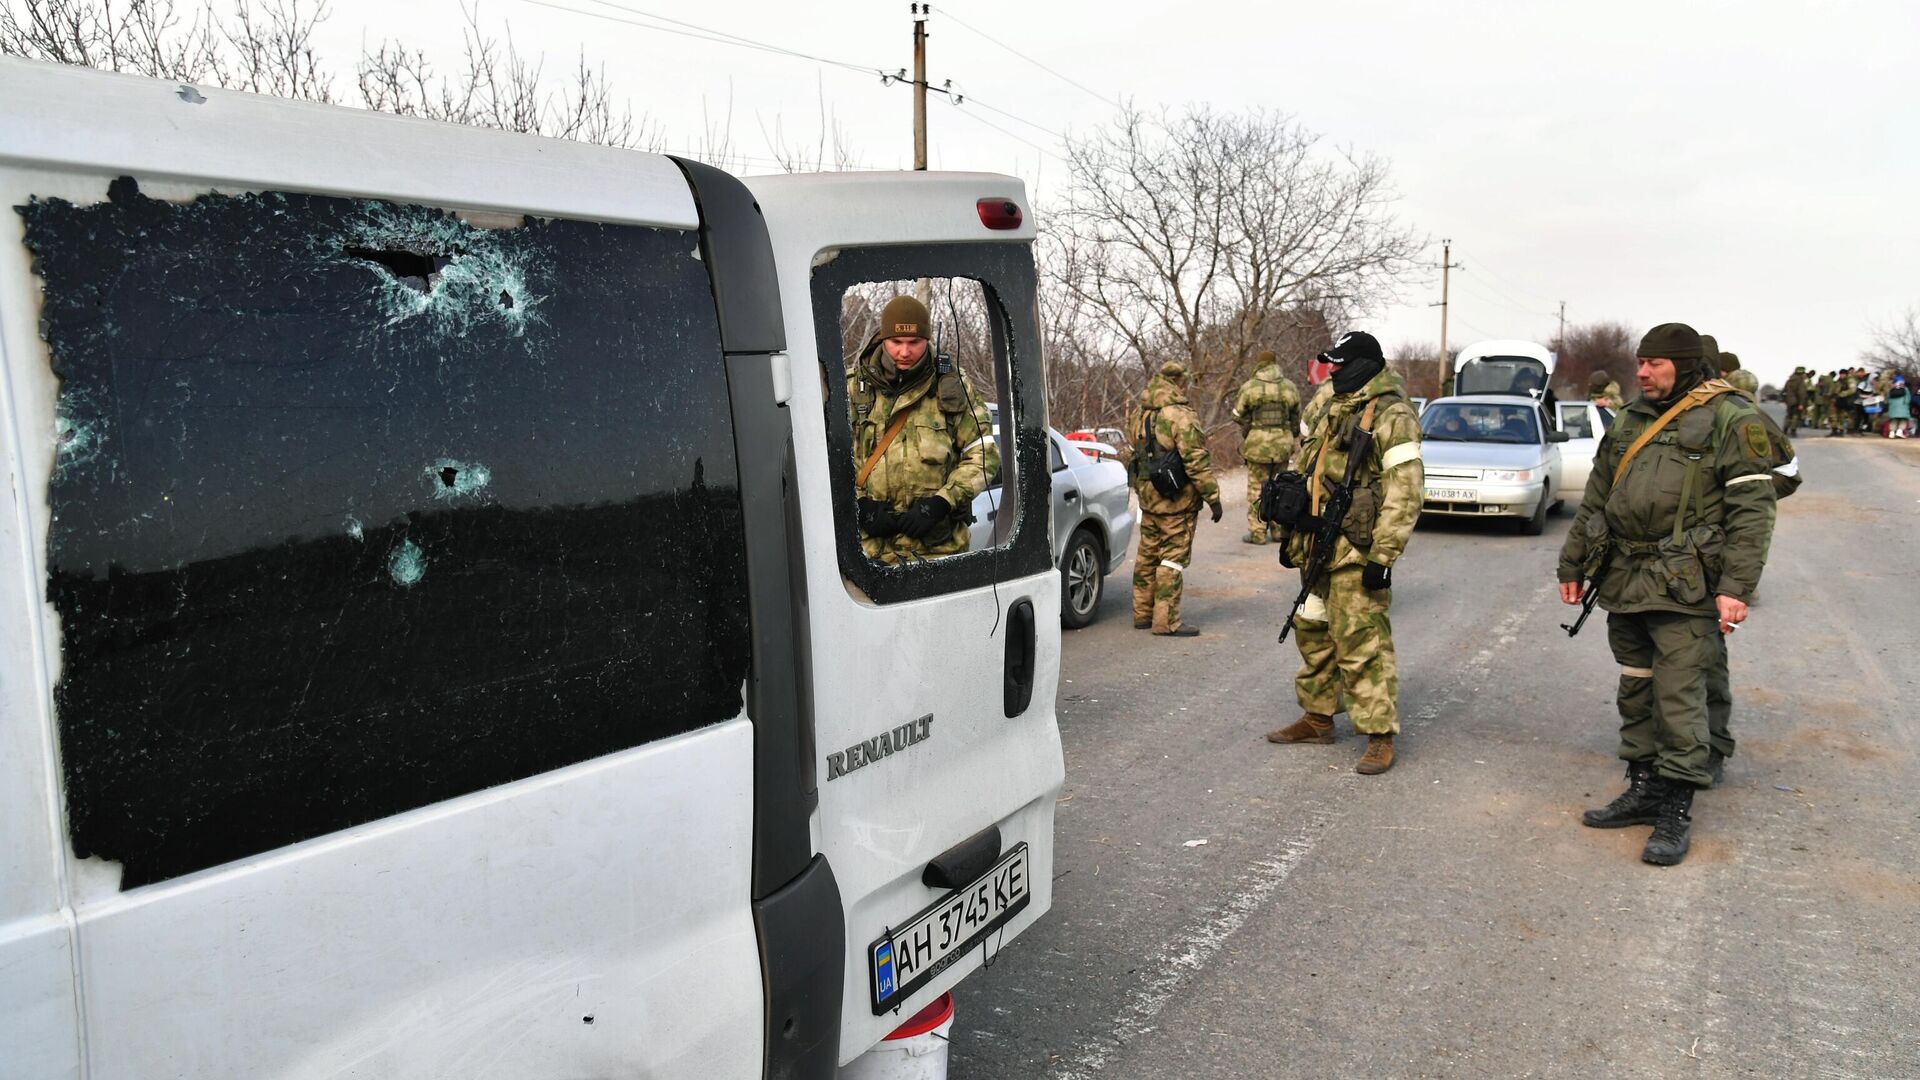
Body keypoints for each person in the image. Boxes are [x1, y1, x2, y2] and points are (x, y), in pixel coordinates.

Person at [1557, 323, 1777, 865]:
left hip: (1687, 580)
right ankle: (1643, 786)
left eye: (1654, 363)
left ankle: (1675, 807)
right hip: (1625, 573)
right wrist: (1574, 561)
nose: (1642, 371)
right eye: (1641, 362)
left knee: (1679, 695)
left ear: (1682, 364)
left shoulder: (1732, 418)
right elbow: (1596, 497)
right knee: (1636, 685)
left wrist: (1735, 588)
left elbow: (1754, 511)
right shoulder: (1631, 416)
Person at [1266, 330, 1424, 775]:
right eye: (1329, 364)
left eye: (1339, 364)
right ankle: (1319, 718)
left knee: (1361, 642)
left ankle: (1379, 735)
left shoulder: (1393, 415)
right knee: (1312, 629)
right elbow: (1306, 462)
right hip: (1315, 545)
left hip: (1356, 549)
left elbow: (1405, 493)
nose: (1331, 371)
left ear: (1363, 364)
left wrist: (1383, 558)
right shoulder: (1331, 404)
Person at [848, 295, 997, 565]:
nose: (904, 352)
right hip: (869, 555)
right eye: (896, 342)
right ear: (883, 339)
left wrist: (942, 502)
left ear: (927, 340)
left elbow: (984, 454)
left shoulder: (952, 386)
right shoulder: (853, 388)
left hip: (939, 553)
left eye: (914, 343)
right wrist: (859, 505)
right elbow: (824, 460)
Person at [1128, 360, 1222, 636]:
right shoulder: (1180, 415)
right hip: (1176, 498)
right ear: (1180, 382)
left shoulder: (1139, 413)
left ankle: (1142, 613)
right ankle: (1166, 621)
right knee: (1172, 557)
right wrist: (1212, 496)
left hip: (1148, 494)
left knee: (1147, 553)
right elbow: (1195, 460)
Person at [1231, 350, 1302, 545]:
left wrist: (1249, 425)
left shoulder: (1250, 387)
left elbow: (1236, 414)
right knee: (1280, 486)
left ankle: (1257, 532)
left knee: (1257, 488)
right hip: (1282, 444)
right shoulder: (1289, 387)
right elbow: (1296, 417)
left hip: (1257, 445)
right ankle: (1278, 531)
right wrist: (1291, 435)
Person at [1887, 375, 1911, 439]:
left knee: (1894, 420)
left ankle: (1891, 433)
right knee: (1903, 420)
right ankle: (1899, 431)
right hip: (1903, 407)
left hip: (1893, 407)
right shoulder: (1905, 389)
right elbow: (1908, 399)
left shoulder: (1891, 389)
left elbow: (1888, 399)